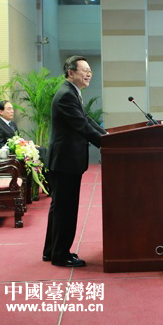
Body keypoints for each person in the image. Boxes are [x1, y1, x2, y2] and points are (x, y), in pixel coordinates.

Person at [43, 56, 106, 267]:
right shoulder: (66, 95)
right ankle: (61, 255)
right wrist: (107, 143)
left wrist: (107, 136)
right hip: (65, 162)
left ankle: (52, 250)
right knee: (65, 210)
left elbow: (86, 119)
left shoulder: (71, 92)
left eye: (90, 71)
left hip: (64, 161)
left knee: (60, 208)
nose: (89, 74)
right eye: (85, 70)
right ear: (71, 72)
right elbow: (82, 126)